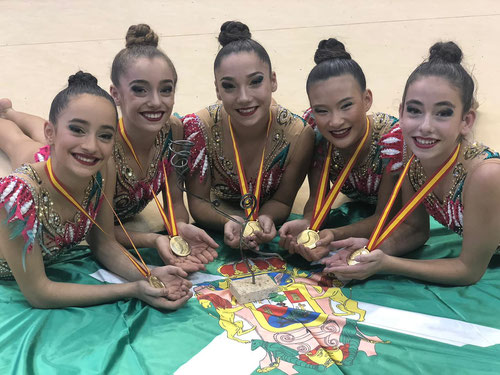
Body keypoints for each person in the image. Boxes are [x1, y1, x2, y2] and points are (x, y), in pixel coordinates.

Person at [0, 24, 218, 273]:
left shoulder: (173, 129)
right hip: (63, 166)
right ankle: (5, 117)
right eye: (139, 90)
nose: (156, 101)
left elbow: (175, 201)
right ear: (115, 94)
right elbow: (96, 231)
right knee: (20, 144)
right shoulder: (99, 152)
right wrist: (152, 239)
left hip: (111, 208)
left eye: (165, 89)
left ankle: (10, 111)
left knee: (45, 131)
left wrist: (178, 229)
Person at [0, 72, 192, 309]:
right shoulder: (18, 197)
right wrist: (133, 289)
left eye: (104, 135)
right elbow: (39, 293)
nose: (92, 146)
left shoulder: (102, 170)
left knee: (43, 146)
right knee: (17, 144)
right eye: (78, 130)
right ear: (50, 131)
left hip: (60, 163)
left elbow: (104, 243)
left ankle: (9, 112)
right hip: (43, 174)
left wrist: (148, 275)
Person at [322, 41, 500, 286]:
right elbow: (415, 230)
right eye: (415, 110)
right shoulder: (409, 153)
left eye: (443, 113)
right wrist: (372, 248)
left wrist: (386, 264)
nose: (425, 126)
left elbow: (468, 270)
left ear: (466, 120)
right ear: (401, 111)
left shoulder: (485, 176)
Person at [183, 21, 314, 249]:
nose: (243, 97)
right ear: (217, 89)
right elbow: (198, 203)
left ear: (273, 80)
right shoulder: (199, 128)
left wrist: (267, 217)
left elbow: (282, 200)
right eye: (229, 86)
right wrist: (231, 221)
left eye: (255, 81)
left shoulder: (298, 134)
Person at [279, 38, 405, 262]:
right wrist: (308, 224)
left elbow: (383, 216)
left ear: (367, 100)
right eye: (322, 110)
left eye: (346, 105)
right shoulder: (318, 134)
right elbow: (318, 199)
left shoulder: (392, 143)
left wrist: (333, 235)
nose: (335, 121)